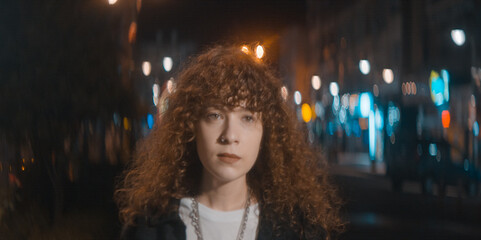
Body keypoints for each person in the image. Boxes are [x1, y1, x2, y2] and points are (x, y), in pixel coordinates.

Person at [115, 44, 345, 239]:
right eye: (215, 115)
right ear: (191, 125)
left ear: (267, 132)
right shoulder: (148, 228)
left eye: (247, 118)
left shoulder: (298, 229)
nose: (230, 135)